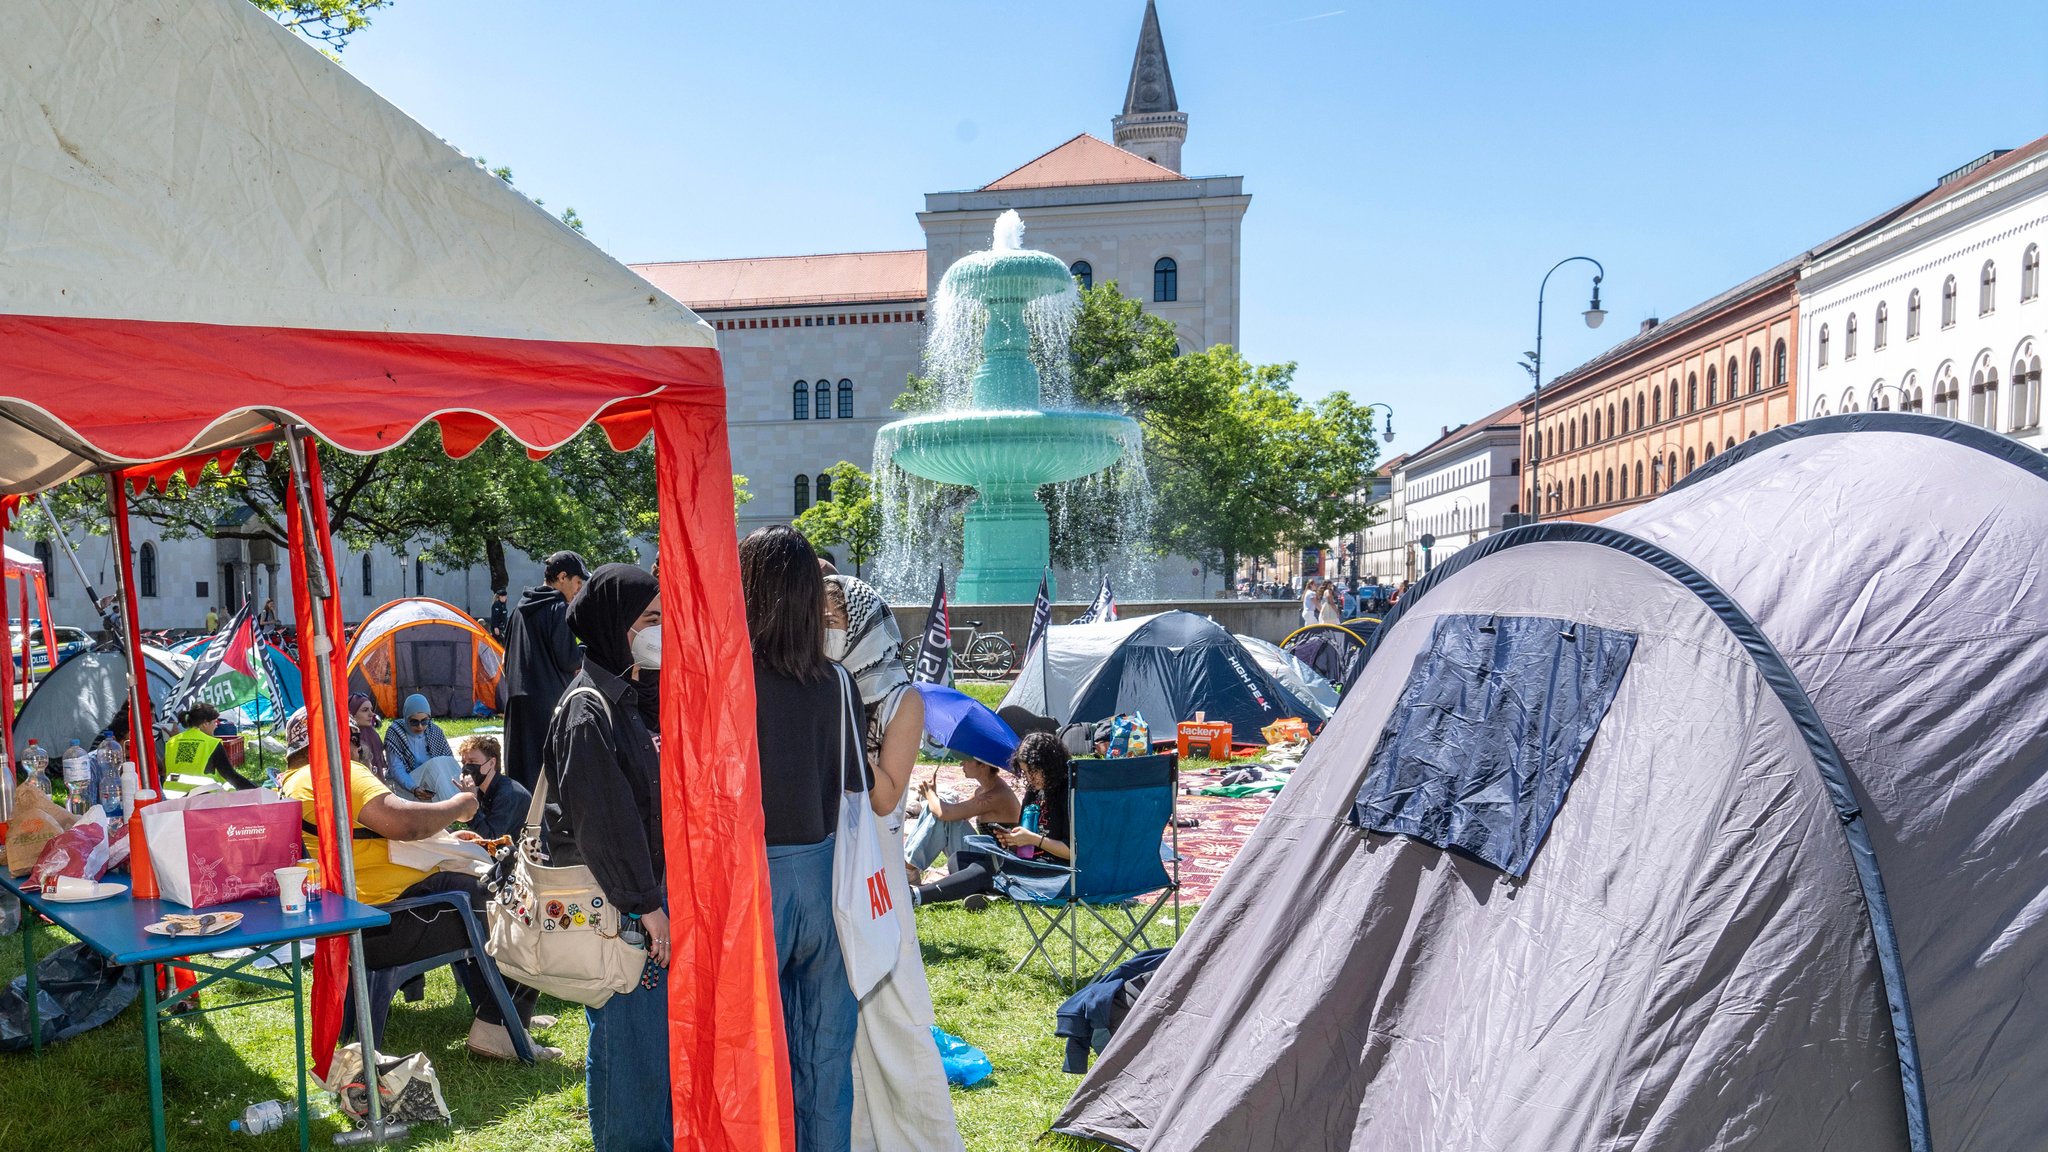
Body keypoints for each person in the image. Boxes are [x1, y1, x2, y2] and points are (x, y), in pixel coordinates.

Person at [276, 708, 560, 1061]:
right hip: (389, 922)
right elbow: (402, 823)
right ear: (345, 741)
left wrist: (444, 842)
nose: (361, 751)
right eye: (358, 743)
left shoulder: (289, 783)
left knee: (480, 889)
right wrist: (459, 805)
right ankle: (499, 1025)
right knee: (524, 899)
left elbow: (366, 838)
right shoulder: (338, 771)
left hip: (355, 925)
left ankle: (501, 1013)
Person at [822, 574, 962, 1152]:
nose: (823, 631)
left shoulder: (903, 701)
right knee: (838, 1028)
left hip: (877, 871)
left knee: (892, 1014)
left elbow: (885, 796)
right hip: (830, 863)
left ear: (859, 626)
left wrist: (845, 722)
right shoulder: (821, 686)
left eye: (831, 620)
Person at [539, 564, 669, 1151]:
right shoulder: (588, 709)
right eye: (649, 620)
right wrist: (646, 905)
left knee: (645, 1053)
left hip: (638, 905)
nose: (659, 631)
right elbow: (606, 823)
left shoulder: (628, 693)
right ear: (615, 626)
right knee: (630, 1057)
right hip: (621, 911)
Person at [742, 526, 859, 1152]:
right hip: (828, 876)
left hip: (754, 880)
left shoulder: (730, 684)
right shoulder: (836, 682)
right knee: (826, 1054)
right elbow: (854, 788)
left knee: (754, 1055)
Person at [913, 732, 1074, 908]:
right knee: (958, 859)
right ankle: (981, 892)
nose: (1028, 778)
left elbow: (1073, 853)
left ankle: (916, 896)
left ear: (1048, 766)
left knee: (986, 870)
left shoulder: (1068, 796)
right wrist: (1012, 839)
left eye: (1032, 772)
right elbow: (1027, 838)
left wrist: (1033, 839)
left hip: (1053, 872)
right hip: (1026, 859)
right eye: (1025, 772)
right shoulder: (1034, 791)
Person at [502, 551, 588, 790]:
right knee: (548, 775)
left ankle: (521, 822)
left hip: (516, 700)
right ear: (562, 577)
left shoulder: (519, 609)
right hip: (548, 700)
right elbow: (568, 661)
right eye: (578, 582)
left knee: (520, 772)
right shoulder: (559, 608)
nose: (579, 589)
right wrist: (585, 649)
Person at [903, 755, 1020, 882]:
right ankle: (908, 868)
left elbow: (945, 813)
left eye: (967, 760)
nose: (961, 763)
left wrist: (930, 794)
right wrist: (933, 797)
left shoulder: (997, 795)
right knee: (935, 808)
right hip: (986, 854)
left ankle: (908, 870)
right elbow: (957, 813)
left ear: (983, 765)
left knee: (940, 814)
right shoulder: (983, 790)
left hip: (999, 863)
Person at [162, 702, 260, 790]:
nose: (216, 725)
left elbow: (164, 770)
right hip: (200, 796)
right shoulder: (211, 743)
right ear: (205, 723)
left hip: (171, 793)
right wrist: (256, 789)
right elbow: (230, 775)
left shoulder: (172, 740)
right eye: (215, 722)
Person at [382, 694, 458, 800]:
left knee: (444, 765)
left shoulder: (434, 731)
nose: (420, 726)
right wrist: (414, 788)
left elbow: (448, 761)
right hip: (405, 784)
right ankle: (454, 808)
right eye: (414, 722)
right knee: (435, 765)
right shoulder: (395, 732)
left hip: (431, 782)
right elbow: (396, 769)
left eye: (424, 721)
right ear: (406, 717)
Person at [457, 733, 530, 841]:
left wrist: (471, 803)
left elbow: (491, 839)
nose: (467, 767)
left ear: (491, 763)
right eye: (464, 763)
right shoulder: (482, 790)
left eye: (472, 761)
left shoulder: (508, 794)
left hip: (521, 852)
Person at [349, 693, 391, 784]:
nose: (372, 714)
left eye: (371, 709)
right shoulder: (349, 740)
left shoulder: (372, 735)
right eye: (365, 710)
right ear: (352, 713)